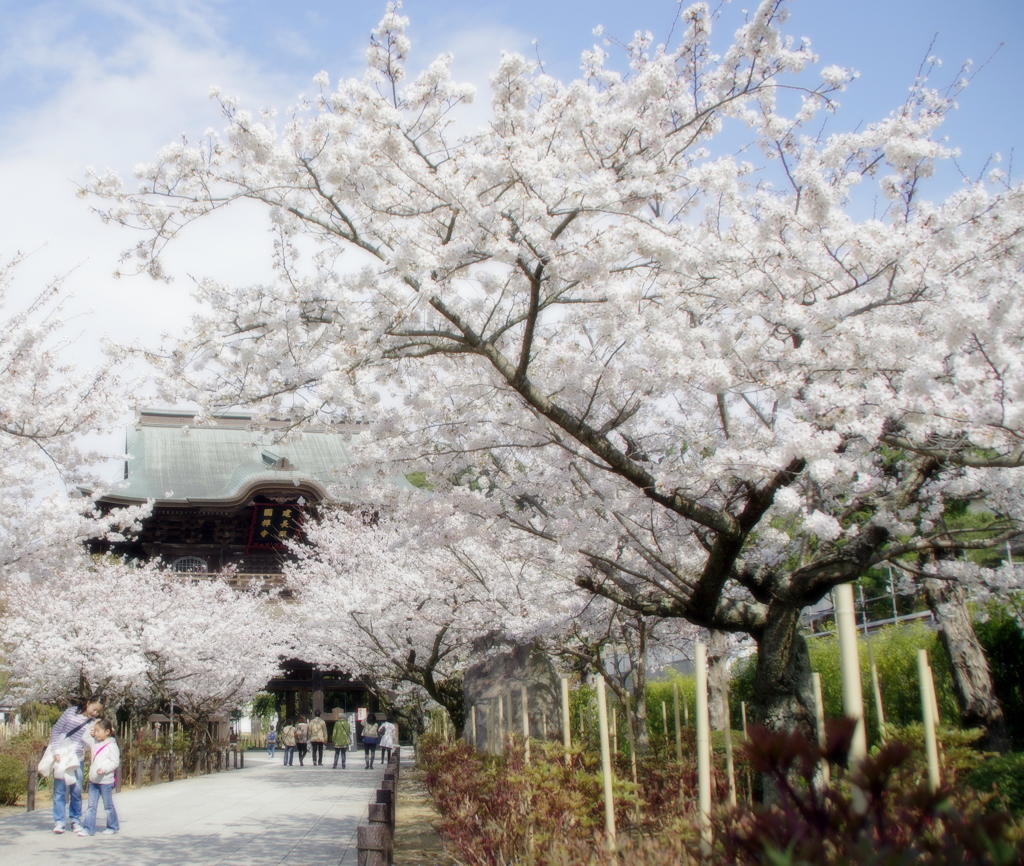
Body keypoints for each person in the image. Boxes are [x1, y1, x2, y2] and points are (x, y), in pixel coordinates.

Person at [48, 695, 103, 834]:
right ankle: (59, 821)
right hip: (62, 754)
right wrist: (56, 750)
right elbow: (56, 731)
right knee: (60, 790)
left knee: (76, 790)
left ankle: (75, 819)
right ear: (88, 703)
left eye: (97, 712)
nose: (94, 713)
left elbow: (92, 743)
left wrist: (96, 733)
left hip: (77, 758)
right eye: (94, 709)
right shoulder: (70, 712)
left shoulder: (93, 722)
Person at [77, 719, 120, 836]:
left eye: (98, 731)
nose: (95, 733)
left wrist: (104, 769)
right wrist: (91, 725)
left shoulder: (112, 745)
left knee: (108, 805)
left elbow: (115, 762)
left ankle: (113, 825)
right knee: (91, 806)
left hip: (106, 781)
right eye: (94, 731)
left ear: (107, 732)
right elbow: (84, 737)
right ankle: (88, 828)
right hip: (94, 781)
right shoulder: (94, 743)